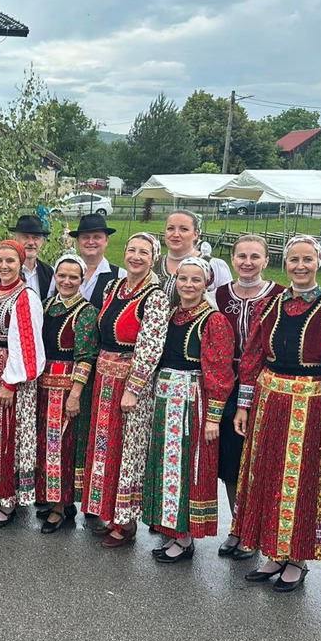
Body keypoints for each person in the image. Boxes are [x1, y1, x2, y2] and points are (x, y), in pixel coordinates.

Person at [232, 235, 321, 592]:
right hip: (270, 400)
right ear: (284, 265)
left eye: (307, 260)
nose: (300, 267)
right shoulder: (270, 305)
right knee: (267, 475)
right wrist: (244, 404)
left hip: (310, 403)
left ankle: (296, 557)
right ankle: (273, 551)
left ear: (318, 262)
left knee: (300, 482)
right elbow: (252, 355)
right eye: (293, 261)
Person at [141, 258, 234, 562]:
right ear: (176, 281)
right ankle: (173, 532)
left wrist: (213, 418)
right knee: (167, 466)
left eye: (196, 280)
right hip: (165, 398)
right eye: (183, 279)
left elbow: (220, 373)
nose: (189, 285)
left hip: (193, 401)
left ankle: (185, 537)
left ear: (207, 283)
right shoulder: (171, 315)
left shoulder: (213, 320)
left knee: (186, 469)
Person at [82, 232, 167, 547]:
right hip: (105, 377)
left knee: (127, 449)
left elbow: (151, 345)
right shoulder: (113, 287)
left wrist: (134, 387)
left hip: (131, 383)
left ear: (153, 258)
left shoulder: (154, 296)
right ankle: (110, 514)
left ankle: (126, 522)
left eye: (143, 252)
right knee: (105, 447)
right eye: (131, 250)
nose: (135, 257)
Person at [214, 234, 284, 558]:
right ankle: (237, 526)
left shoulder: (279, 296)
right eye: (241, 255)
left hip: (266, 386)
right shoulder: (220, 294)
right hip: (228, 385)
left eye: (255, 256)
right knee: (232, 462)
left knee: (260, 462)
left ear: (266, 261)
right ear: (232, 259)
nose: (247, 262)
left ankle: (258, 531)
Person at [0, 240, 45, 529]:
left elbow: (28, 345)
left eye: (10, 261)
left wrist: (11, 382)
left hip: (9, 376)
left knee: (7, 437)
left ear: (21, 263)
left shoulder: (25, 297)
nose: (3, 266)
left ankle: (9, 499)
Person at [34, 254, 98, 533]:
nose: (67, 281)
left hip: (67, 387)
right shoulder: (46, 305)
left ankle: (59, 507)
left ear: (82, 279)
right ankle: (58, 501)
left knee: (62, 447)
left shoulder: (86, 312)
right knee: (47, 445)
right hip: (43, 385)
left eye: (73, 277)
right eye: (62, 275)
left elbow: (86, 356)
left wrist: (75, 394)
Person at [156, 210, 232, 304]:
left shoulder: (213, 265)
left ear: (195, 234)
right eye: (170, 228)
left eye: (184, 229)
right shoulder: (153, 264)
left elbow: (226, 304)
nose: (175, 234)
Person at [54, 213, 124, 307]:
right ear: (78, 240)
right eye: (85, 237)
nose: (91, 242)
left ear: (106, 240)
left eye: (97, 237)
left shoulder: (120, 276)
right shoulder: (60, 271)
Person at [0, 215, 53, 300]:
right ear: (15, 240)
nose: (31, 242)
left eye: (36, 237)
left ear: (42, 242)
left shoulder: (49, 272)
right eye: (25, 237)